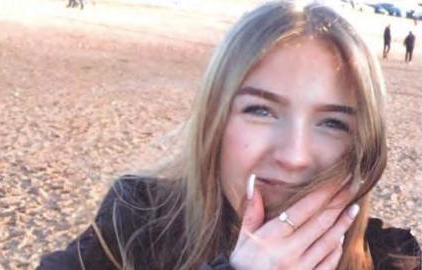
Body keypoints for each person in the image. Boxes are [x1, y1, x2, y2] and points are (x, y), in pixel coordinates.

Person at [38, 1, 421, 269]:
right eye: (261, 110)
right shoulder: (135, 222)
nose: (295, 156)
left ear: (362, 146)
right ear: (215, 121)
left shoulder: (394, 259)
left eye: (333, 123)